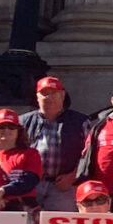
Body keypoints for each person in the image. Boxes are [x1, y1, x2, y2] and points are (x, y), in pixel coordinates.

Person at [22, 75, 89, 210]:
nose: (48, 97)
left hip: (64, 187)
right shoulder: (23, 122)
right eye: (44, 93)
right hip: (30, 185)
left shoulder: (80, 121)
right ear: (37, 97)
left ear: (62, 96)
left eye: (53, 93)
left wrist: (73, 176)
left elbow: (88, 154)